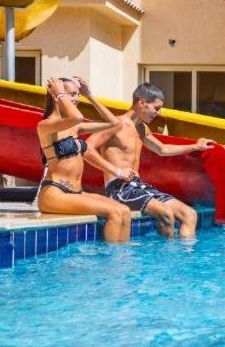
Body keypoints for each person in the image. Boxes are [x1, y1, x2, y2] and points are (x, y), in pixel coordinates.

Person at [87, 83, 213, 239]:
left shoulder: (141, 128)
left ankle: (182, 259)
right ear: (142, 102)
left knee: (190, 214)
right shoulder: (116, 124)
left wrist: (196, 146)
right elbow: (86, 148)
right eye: (156, 108)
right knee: (166, 213)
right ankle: (164, 259)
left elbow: (162, 149)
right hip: (120, 188)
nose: (158, 113)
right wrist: (117, 171)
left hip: (139, 186)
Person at [35, 76, 136, 243]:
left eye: (78, 94)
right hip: (55, 192)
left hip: (76, 192)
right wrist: (60, 93)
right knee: (115, 213)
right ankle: (113, 262)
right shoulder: (45, 126)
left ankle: (122, 262)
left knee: (124, 210)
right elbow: (77, 117)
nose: (77, 98)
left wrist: (90, 95)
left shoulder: (73, 127)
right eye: (73, 94)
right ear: (57, 96)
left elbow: (114, 123)